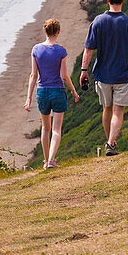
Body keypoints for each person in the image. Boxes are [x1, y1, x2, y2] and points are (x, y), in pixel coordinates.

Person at [79, 0, 128, 157]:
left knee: (107, 109)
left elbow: (89, 49)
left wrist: (84, 70)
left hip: (103, 75)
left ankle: (110, 142)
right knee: (118, 111)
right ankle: (110, 143)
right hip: (124, 75)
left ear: (108, 0)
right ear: (122, 0)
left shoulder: (98, 21)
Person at [24, 18, 80, 168]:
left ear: (45, 31)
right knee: (56, 129)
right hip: (58, 92)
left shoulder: (36, 49)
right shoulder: (61, 51)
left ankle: (45, 160)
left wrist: (28, 98)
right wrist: (74, 91)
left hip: (42, 92)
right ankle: (51, 160)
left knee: (45, 128)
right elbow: (64, 76)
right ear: (58, 32)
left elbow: (33, 75)